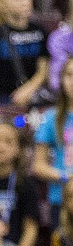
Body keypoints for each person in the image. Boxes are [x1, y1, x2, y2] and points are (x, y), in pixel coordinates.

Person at [32, 57, 73, 220]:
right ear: (61, 80)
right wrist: (65, 177)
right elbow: (38, 165)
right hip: (61, 200)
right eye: (69, 75)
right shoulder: (51, 118)